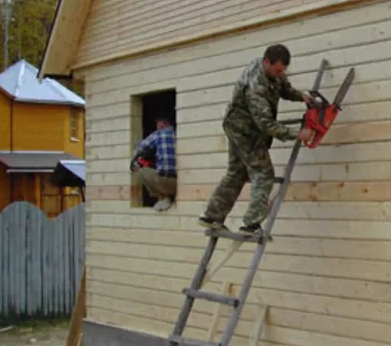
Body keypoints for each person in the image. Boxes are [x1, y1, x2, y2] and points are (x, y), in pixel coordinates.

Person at [198, 44, 318, 235]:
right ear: (266, 62)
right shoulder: (255, 87)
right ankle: (251, 224)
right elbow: (266, 125)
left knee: (236, 172)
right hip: (243, 131)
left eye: (283, 70)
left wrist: (302, 97)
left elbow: (283, 88)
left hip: (242, 127)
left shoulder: (273, 72)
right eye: (278, 70)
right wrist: (297, 133)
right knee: (263, 173)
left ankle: (211, 216)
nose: (281, 74)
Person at [131, 114, 177, 211]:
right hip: (180, 184)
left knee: (141, 172)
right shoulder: (179, 133)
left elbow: (139, 149)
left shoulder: (159, 134)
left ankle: (164, 198)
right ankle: (172, 198)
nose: (157, 126)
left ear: (162, 124)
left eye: (157, 124)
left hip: (167, 183)